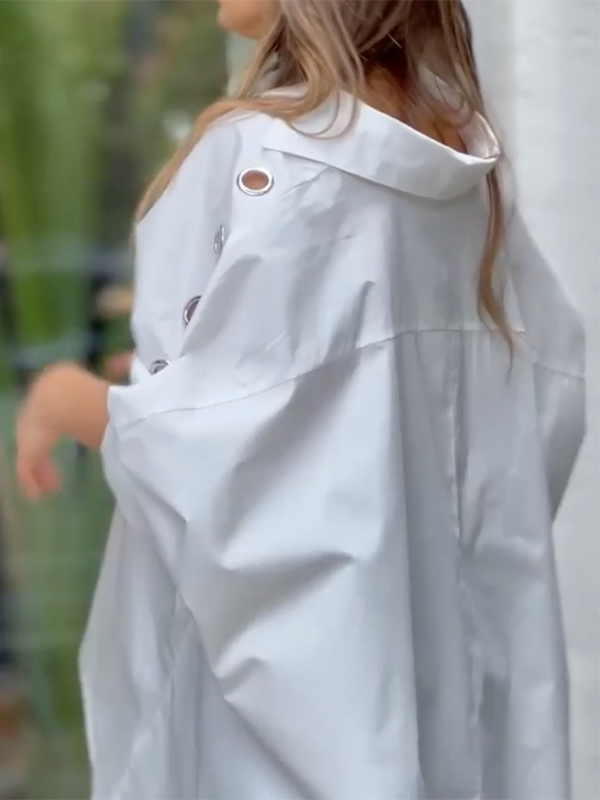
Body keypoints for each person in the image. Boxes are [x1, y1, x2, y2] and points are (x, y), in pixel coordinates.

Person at [15, 1, 585, 799]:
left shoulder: (262, 157)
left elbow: (216, 459)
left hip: (288, 746)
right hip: (454, 704)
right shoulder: (463, 170)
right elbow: (533, 403)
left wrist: (66, 398)